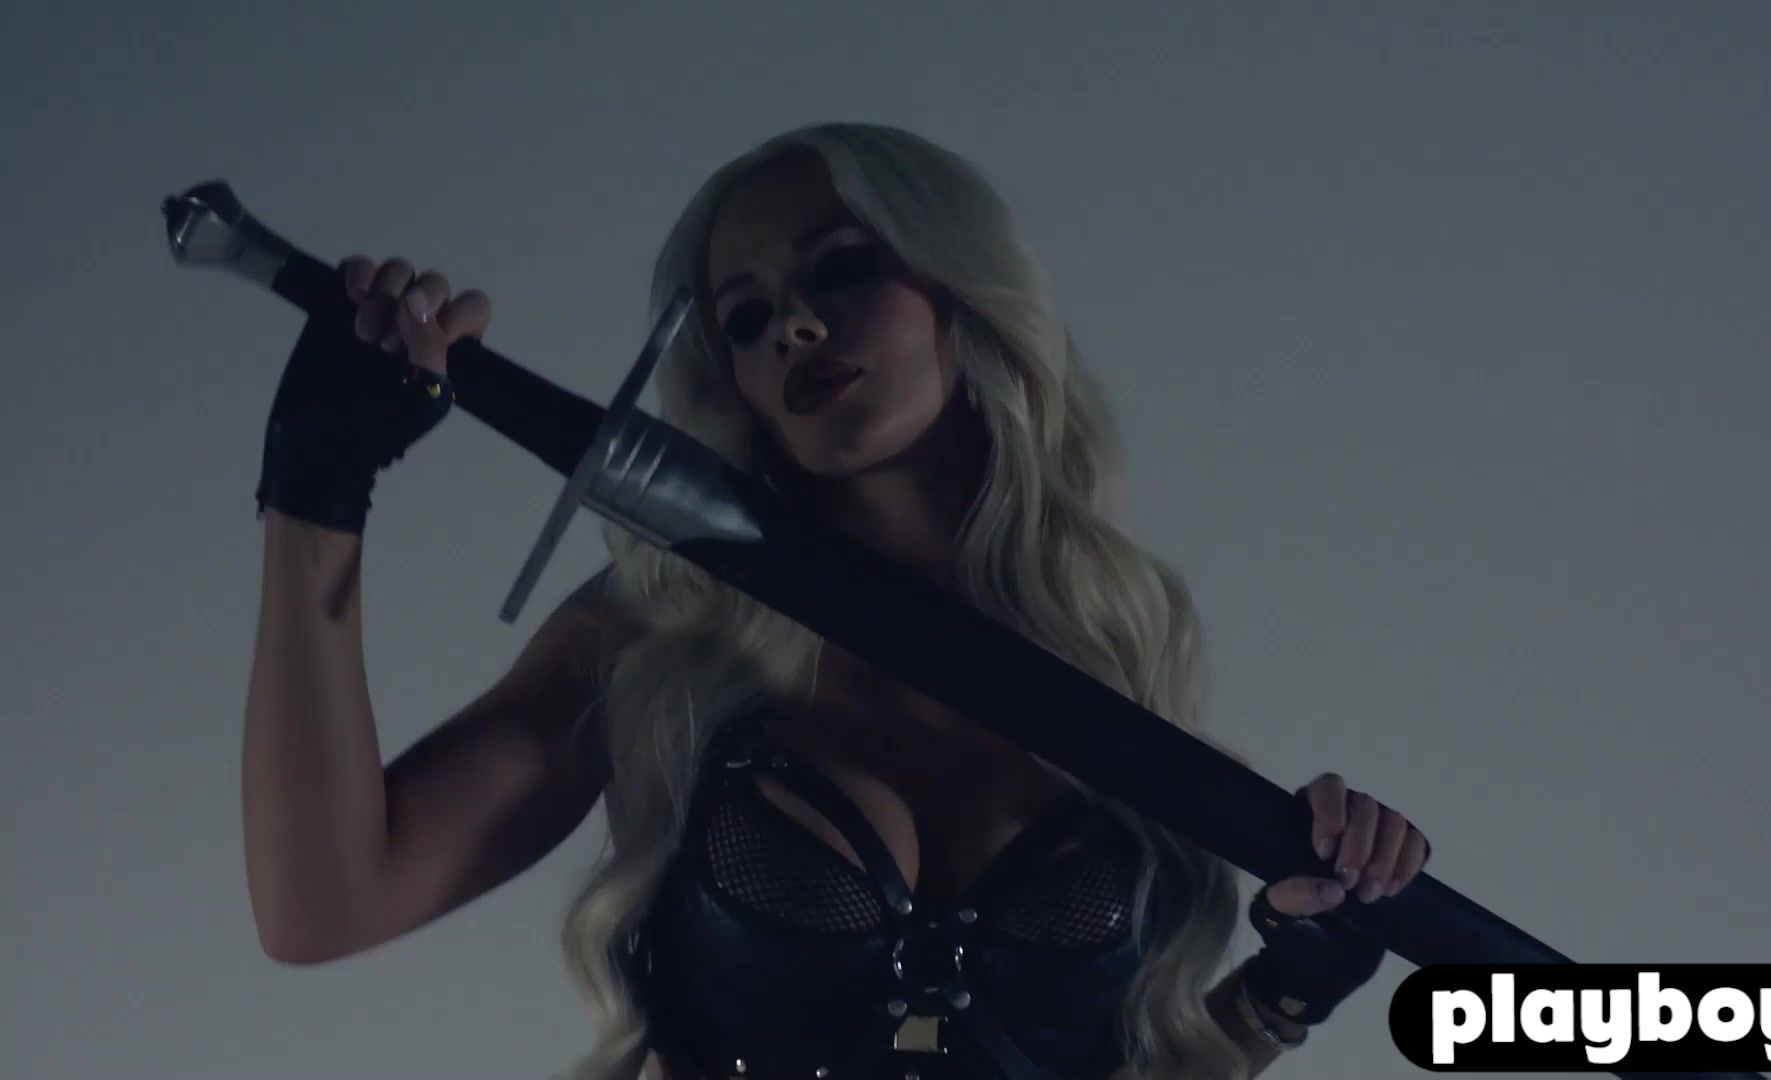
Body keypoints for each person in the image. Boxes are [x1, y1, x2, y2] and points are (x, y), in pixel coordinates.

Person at [241, 121, 1431, 1080]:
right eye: (747, 317)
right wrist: (317, 490)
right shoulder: (662, 634)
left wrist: (1289, 986)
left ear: (961, 290)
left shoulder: (1105, 647)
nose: (795, 326)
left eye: (843, 268)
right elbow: (323, 904)